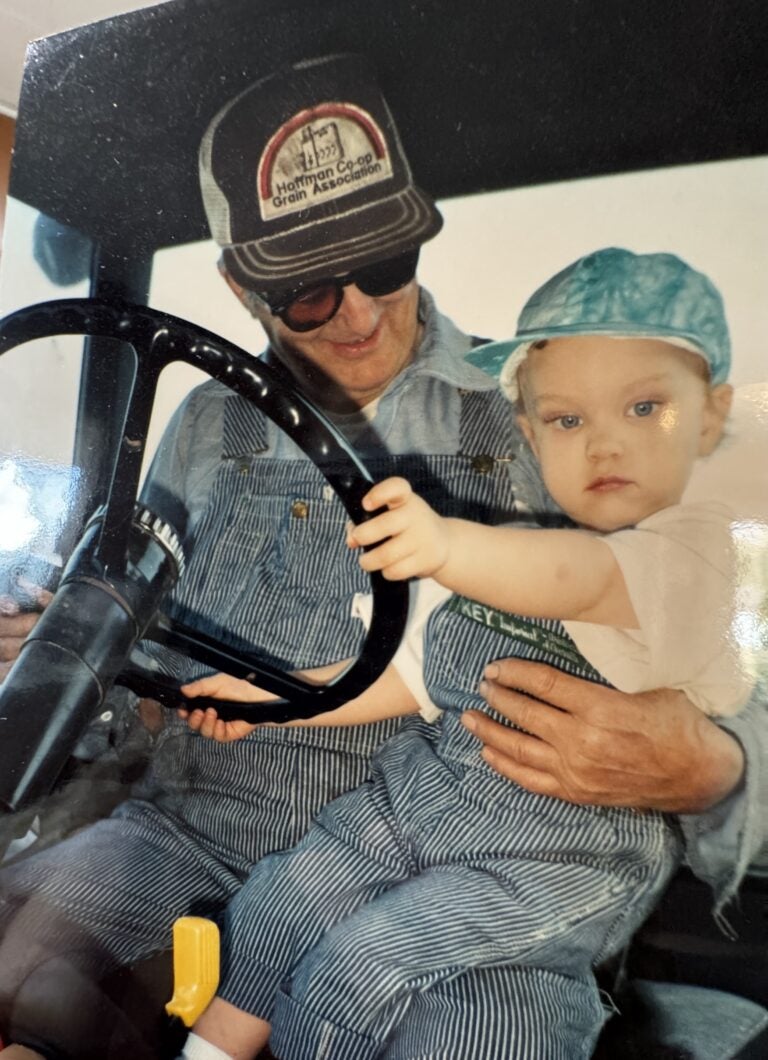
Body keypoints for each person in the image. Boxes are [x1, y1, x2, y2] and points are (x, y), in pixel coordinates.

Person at [0, 55, 763, 1059]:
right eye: (308, 290)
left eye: (385, 262)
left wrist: (713, 766)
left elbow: (710, 646)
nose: (358, 314)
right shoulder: (198, 424)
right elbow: (147, 659)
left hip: (450, 866)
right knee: (19, 975)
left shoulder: (556, 420)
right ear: (240, 283)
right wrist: (77, 661)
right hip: (184, 838)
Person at [173, 247, 750, 1060]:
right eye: (568, 420)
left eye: (645, 408)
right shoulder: (510, 546)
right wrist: (261, 697)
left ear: (713, 414)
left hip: (564, 854)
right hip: (427, 799)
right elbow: (397, 675)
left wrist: (443, 543)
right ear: (528, 429)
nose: (605, 447)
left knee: (365, 960)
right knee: (281, 898)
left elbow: (579, 582)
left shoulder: (695, 556)